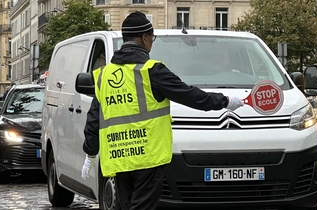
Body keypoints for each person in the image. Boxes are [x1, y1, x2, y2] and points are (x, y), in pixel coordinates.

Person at [81, 11, 244, 210]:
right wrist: (225, 101)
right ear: (144, 38)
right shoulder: (152, 71)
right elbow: (190, 95)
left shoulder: (104, 75)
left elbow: (94, 118)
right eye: (152, 38)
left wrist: (90, 151)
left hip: (119, 159)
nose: (152, 42)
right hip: (148, 158)